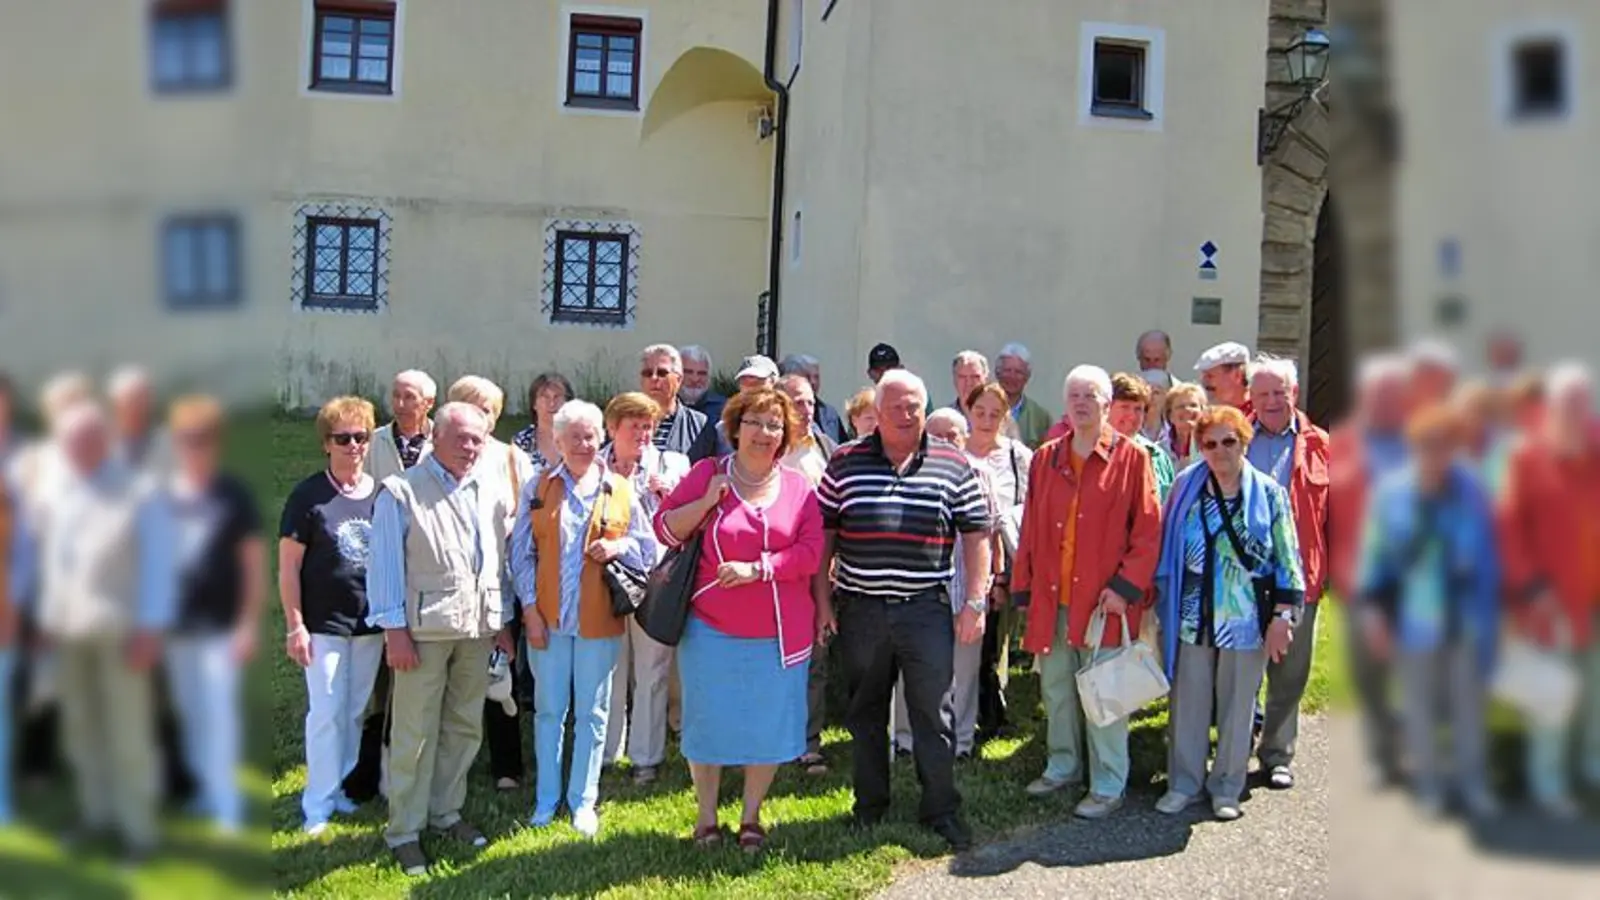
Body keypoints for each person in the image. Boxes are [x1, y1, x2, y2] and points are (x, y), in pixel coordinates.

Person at [820, 369, 991, 851]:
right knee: (865, 711)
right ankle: (869, 806)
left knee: (933, 714)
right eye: (894, 405)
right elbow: (825, 536)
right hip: (862, 610)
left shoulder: (954, 463)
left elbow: (977, 536)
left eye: (914, 404)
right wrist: (819, 601)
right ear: (877, 409)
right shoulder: (845, 461)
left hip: (925, 610)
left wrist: (974, 600)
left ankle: (941, 809)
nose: (906, 413)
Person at [655, 388, 824, 851]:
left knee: (766, 725)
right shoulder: (708, 473)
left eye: (774, 425)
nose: (764, 433)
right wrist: (707, 500)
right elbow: (665, 528)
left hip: (777, 633)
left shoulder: (798, 487)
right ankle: (706, 817)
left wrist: (760, 569)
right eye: (755, 422)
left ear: (785, 436)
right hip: (710, 629)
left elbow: (811, 553)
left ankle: (751, 816)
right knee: (707, 722)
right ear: (735, 427)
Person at [366, 402, 519, 876]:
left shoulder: (488, 488)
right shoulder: (401, 492)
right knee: (414, 730)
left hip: (477, 629)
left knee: (463, 725)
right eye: (461, 438)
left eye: (478, 439)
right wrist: (395, 633)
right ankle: (405, 831)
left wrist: (503, 624)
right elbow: (385, 567)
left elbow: (496, 562)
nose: (470, 448)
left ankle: (445, 812)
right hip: (422, 633)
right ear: (436, 437)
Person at [1012, 366, 1162, 819]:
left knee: (1104, 693)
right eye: (1074, 394)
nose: (1081, 403)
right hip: (1052, 597)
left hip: (1104, 603)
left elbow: (1148, 532)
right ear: (1065, 403)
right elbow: (1031, 528)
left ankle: (1108, 783)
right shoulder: (1045, 458)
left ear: (1105, 404)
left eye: (1090, 395)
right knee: (1056, 688)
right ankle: (1063, 766)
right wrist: (1024, 587)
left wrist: (1124, 588)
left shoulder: (1133, 459)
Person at [33, 401, 175, 864]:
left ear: (103, 442)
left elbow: (158, 566)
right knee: (80, 729)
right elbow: (54, 561)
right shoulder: (61, 491)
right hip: (67, 631)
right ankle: (97, 815)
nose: (75, 450)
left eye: (84, 441)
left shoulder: (138, 491)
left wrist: (151, 629)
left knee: (127, 733)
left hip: (121, 634)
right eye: (69, 443)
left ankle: (139, 832)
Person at [512, 400, 656, 838]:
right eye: (572, 436)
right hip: (550, 621)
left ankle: (583, 800)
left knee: (593, 714)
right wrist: (530, 611)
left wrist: (618, 547)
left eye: (589, 435)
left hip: (599, 622)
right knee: (549, 712)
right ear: (556, 441)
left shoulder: (620, 489)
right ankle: (546, 798)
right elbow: (520, 554)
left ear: (601, 439)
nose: (581, 444)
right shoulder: (538, 487)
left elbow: (649, 550)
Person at [1154, 406, 1304, 821]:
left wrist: (1283, 618)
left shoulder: (1270, 493)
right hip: (1191, 616)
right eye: (1210, 443)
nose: (1219, 451)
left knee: (1239, 707)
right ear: (1200, 447)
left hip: (1245, 619)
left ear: (1244, 442)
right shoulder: (1186, 487)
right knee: (1188, 703)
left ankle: (1226, 788)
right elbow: (1166, 546)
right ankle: (1184, 783)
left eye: (1228, 441)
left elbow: (1289, 560)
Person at [1356, 404, 1501, 820]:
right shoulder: (1392, 494)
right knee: (1418, 706)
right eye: (1428, 445)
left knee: (1468, 707)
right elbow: (1376, 559)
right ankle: (1430, 786)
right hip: (1414, 621)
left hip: (1467, 618)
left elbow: (1488, 556)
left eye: (1445, 446)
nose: (1437, 454)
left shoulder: (1471, 490)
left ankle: (1472, 786)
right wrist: (1374, 616)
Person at [1499, 361, 1600, 819]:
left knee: (1595, 692)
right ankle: (1549, 783)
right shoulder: (1528, 458)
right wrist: (1532, 587)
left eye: (1582, 405)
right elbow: (1509, 530)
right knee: (1553, 695)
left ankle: (1591, 769)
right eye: (1567, 406)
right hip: (1551, 601)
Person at [280, 397, 385, 835]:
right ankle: (316, 805)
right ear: (327, 444)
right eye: (343, 438)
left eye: (361, 437)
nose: (354, 445)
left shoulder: (381, 493)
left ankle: (340, 788)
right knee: (325, 711)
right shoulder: (308, 497)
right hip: (322, 624)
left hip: (368, 623)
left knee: (355, 711)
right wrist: (295, 625)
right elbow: (288, 566)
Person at [160, 396, 265, 835]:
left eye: (202, 439)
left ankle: (226, 804)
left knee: (218, 713)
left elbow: (253, 564)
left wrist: (246, 624)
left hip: (220, 627)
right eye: (185, 439)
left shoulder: (233, 494)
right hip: (175, 627)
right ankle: (205, 790)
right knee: (189, 712)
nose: (193, 447)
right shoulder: (164, 493)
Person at [890, 409, 998, 761]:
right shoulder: (909, 472)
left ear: (965, 438)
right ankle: (907, 740)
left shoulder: (980, 474)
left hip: (965, 592)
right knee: (912, 672)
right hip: (921, 595)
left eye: (953, 435)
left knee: (964, 672)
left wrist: (983, 593)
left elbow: (990, 534)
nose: (946, 441)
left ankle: (961, 741)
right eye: (937, 435)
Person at [445, 376, 535, 791]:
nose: (484, 416)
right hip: (449, 582)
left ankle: (506, 765)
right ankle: (452, 759)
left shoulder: (512, 458)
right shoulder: (438, 457)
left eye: (490, 409)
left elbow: (527, 514)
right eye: (474, 407)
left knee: (502, 670)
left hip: (501, 579)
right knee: (454, 674)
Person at [1247, 357, 1331, 791]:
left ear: (1294, 393)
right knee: (1240, 669)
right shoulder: (1233, 436)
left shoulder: (1322, 446)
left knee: (1290, 672)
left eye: (1279, 392)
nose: (1271, 401)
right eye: (1262, 394)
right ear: (1251, 397)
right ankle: (1235, 744)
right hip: (1239, 578)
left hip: (1298, 578)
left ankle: (1277, 754)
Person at [596, 393, 689, 785]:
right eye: (633, 425)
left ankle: (645, 757)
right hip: (605, 578)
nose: (642, 433)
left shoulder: (672, 465)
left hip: (656, 579)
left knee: (653, 669)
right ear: (612, 428)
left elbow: (684, 524)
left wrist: (668, 495)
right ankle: (606, 751)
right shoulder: (592, 466)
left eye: (648, 425)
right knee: (609, 667)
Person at [962, 382, 1032, 740]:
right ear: (967, 412)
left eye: (995, 414)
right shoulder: (955, 452)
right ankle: (965, 711)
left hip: (1008, 553)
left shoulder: (1018, 456)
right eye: (980, 412)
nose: (987, 420)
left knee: (997, 638)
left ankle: (992, 711)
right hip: (965, 556)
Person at [689, 355, 780, 463]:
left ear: (774, 383)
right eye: (745, 381)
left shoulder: (789, 425)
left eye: (758, 381)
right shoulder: (724, 429)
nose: (750, 387)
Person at [369, 370, 437, 483]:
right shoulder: (373, 441)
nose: (400, 404)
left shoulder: (443, 441)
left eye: (409, 397)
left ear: (429, 403)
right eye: (396, 396)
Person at [640, 344, 708, 456]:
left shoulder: (700, 425)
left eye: (662, 373)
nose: (654, 378)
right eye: (647, 373)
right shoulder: (624, 420)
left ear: (679, 379)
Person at [779, 353, 848, 445]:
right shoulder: (777, 415)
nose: (813, 382)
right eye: (807, 377)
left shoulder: (830, 414)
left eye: (816, 377)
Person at [995, 343, 1054, 449]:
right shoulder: (982, 409)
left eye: (1018, 372)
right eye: (1007, 370)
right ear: (997, 373)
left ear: (1027, 377)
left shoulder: (1040, 417)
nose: (1012, 377)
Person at [512, 371, 574, 468]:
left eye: (557, 397)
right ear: (534, 404)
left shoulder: (582, 438)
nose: (552, 403)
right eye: (545, 397)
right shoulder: (521, 442)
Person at [1193, 342, 1252, 416]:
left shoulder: (1261, 413)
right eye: (1203, 376)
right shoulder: (1202, 416)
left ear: (1237, 375)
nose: (1204, 382)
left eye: (1210, 376)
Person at [1161, 383, 1208, 470]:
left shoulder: (1213, 445)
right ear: (1170, 415)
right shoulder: (1159, 450)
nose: (1187, 409)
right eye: (1180, 406)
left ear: (1203, 412)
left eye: (1193, 405)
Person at [680, 346, 727, 424]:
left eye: (702, 373)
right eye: (688, 372)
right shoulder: (664, 406)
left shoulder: (723, 408)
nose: (695, 379)